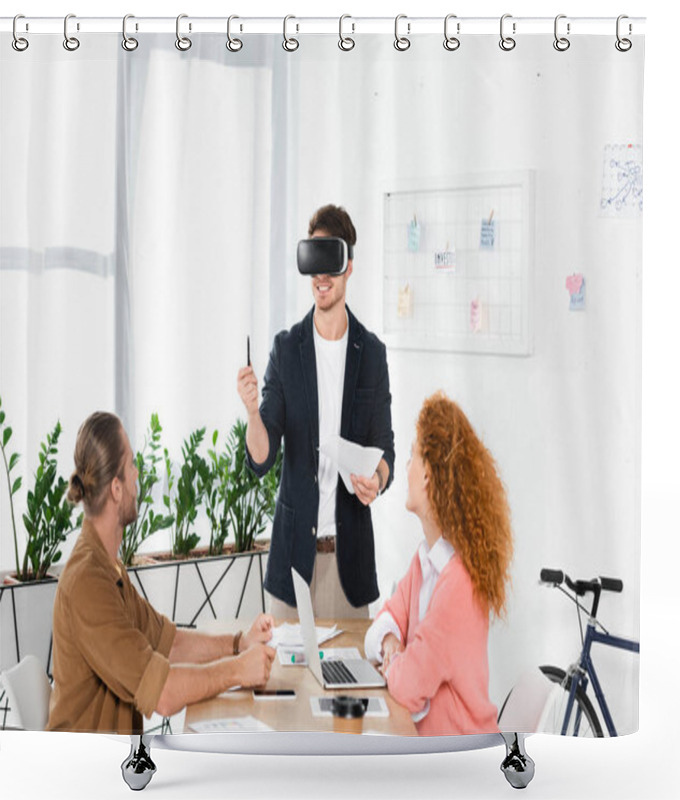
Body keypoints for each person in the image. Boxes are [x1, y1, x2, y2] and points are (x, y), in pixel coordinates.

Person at [47, 412, 276, 734]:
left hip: (114, 764)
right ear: (116, 488)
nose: (137, 474)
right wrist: (238, 671)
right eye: (131, 467)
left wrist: (240, 643)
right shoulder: (88, 582)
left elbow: (169, 645)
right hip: (91, 773)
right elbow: (164, 695)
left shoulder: (107, 567)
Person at [237, 204, 395, 619]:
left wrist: (376, 480)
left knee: (351, 683)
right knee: (285, 684)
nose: (321, 277)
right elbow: (261, 457)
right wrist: (254, 413)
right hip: (294, 565)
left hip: (350, 566)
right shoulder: (287, 350)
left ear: (348, 267)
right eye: (314, 263)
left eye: (331, 263)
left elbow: (386, 447)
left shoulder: (372, 354)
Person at [364, 392, 513, 735]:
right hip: (429, 747)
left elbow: (407, 686)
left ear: (429, 474)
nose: (406, 467)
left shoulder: (460, 584)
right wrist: (391, 645)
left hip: (459, 760)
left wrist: (397, 662)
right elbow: (382, 622)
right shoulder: (425, 561)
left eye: (413, 455)